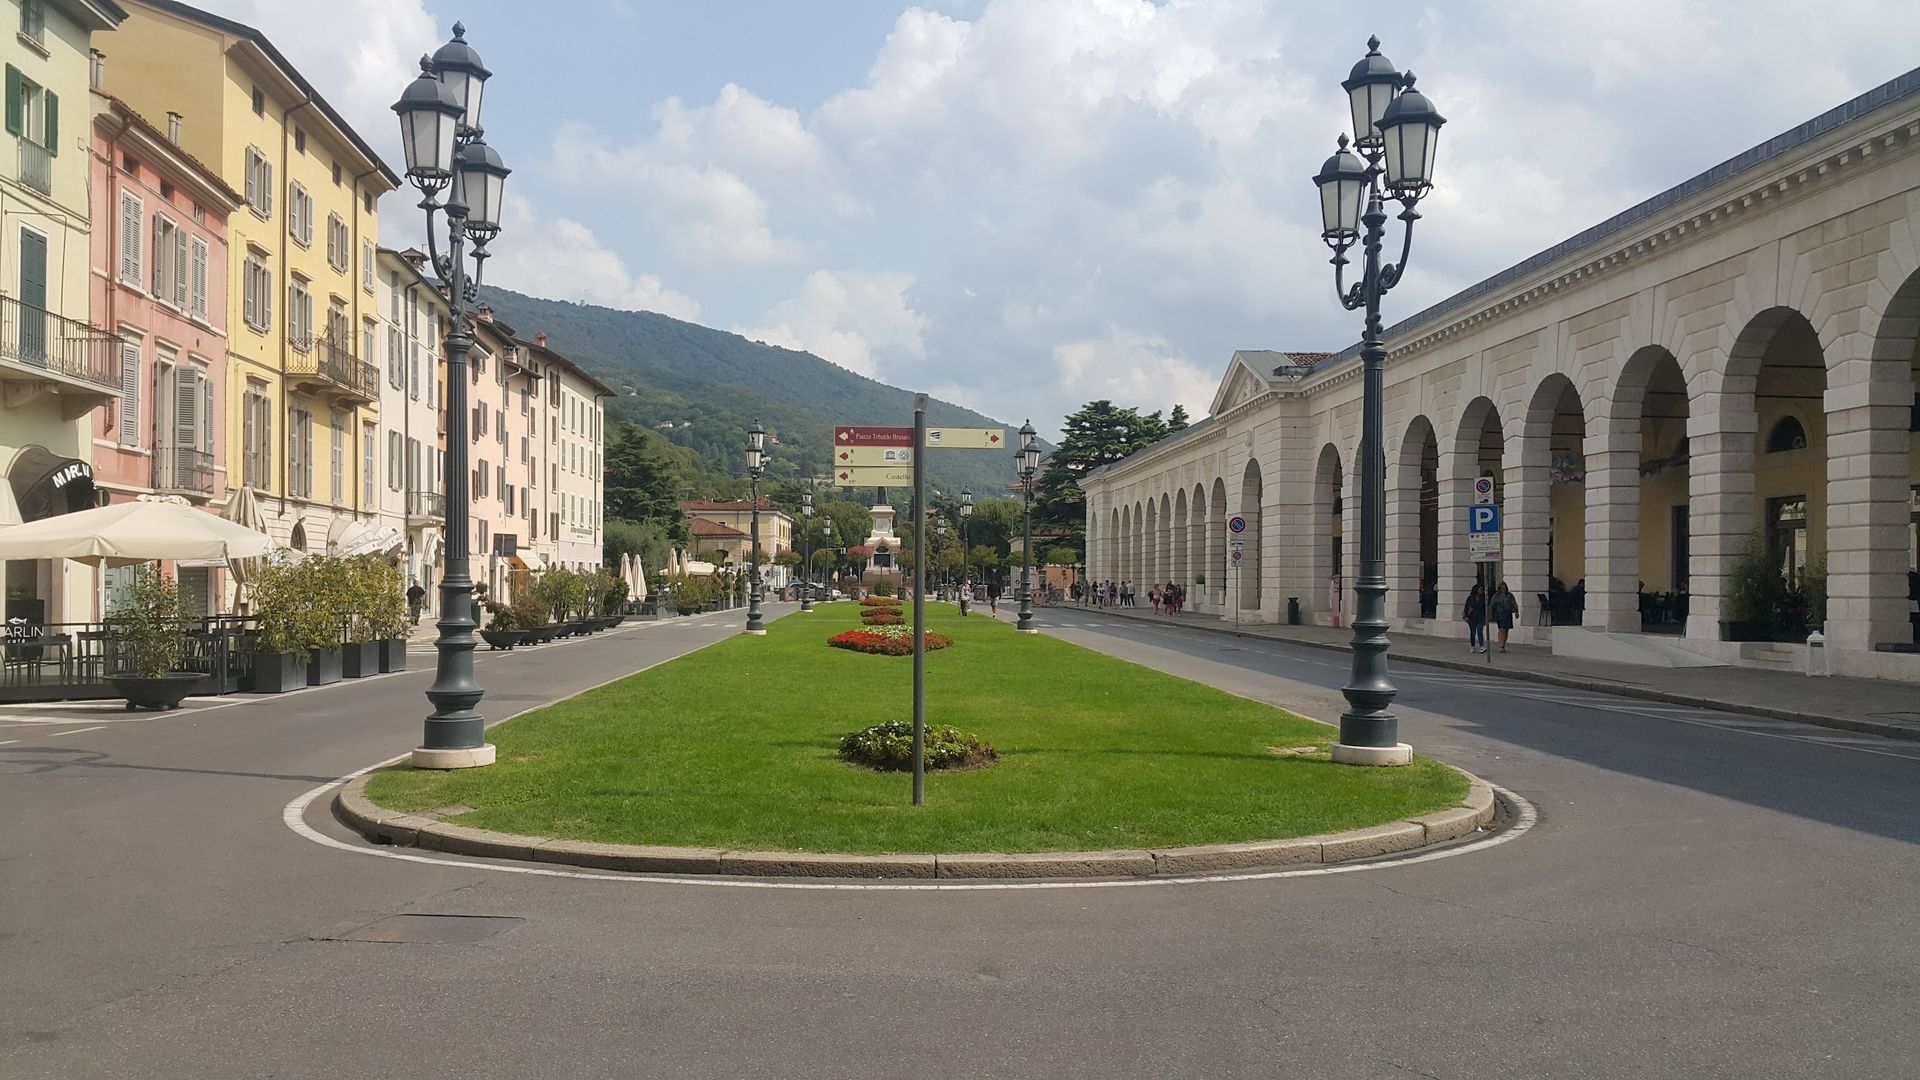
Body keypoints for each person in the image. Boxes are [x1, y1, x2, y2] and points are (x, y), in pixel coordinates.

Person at [1490, 581, 1518, 652]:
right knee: (1501, 629)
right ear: (1499, 588)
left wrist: (1516, 611)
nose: (1503, 589)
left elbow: (1514, 603)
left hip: (1507, 614)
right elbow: (1492, 605)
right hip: (1499, 614)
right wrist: (1490, 614)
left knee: (1506, 630)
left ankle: (1503, 644)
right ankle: (1501, 646)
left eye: (1504, 588)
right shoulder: (1496, 595)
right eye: (1502, 588)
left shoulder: (1509, 595)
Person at [1463, 582, 1488, 653]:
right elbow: (1467, 607)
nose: (1481, 591)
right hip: (1472, 617)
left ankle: (1481, 646)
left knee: (1480, 631)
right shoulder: (1470, 598)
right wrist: (1466, 616)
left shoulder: (1483, 598)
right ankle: (1473, 646)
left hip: (1480, 617)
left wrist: (1486, 617)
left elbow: (1485, 607)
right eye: (1480, 589)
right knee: (1473, 632)